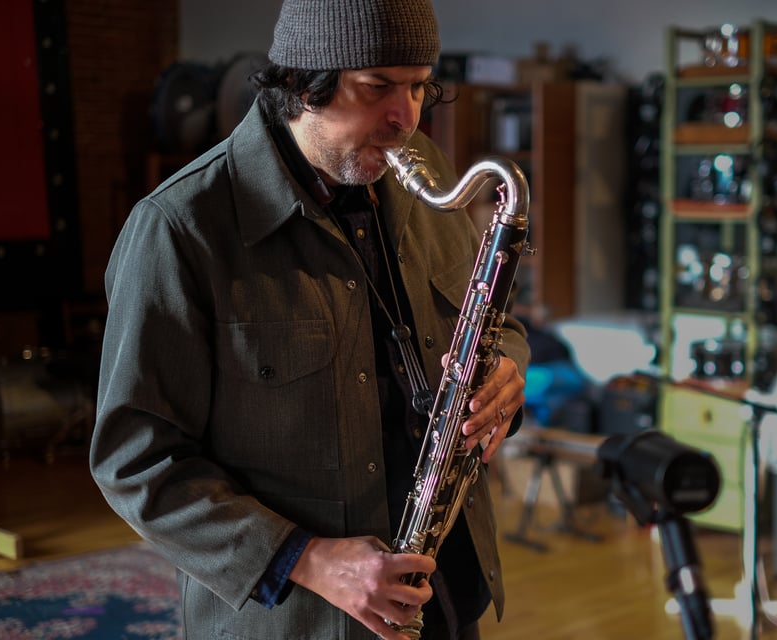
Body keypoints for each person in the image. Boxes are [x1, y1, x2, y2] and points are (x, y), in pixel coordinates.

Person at [89, 1, 530, 638]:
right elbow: (136, 463)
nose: (406, 118)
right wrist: (307, 557)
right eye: (378, 86)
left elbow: (491, 315)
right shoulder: (179, 228)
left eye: (418, 86)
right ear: (302, 81)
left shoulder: (422, 168)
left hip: (447, 592)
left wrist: (508, 367)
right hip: (299, 616)